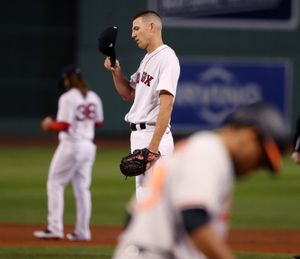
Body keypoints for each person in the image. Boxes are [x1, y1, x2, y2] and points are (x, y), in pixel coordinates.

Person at [112, 102, 291, 259]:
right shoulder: (208, 152)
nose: (257, 167)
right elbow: (193, 219)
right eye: (261, 159)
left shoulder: (202, 149)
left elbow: (132, 215)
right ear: (250, 135)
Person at [103, 10, 180, 202]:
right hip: (142, 137)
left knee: (153, 204)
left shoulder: (167, 58)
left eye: (136, 28)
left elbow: (167, 104)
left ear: (151, 27)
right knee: (146, 201)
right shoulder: (147, 58)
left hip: (154, 138)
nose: (133, 34)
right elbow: (128, 94)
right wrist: (116, 72)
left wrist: (152, 148)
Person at [33, 65, 104, 241]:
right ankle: (82, 231)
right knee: (82, 189)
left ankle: (55, 228)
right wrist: (83, 126)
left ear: (67, 80)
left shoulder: (67, 98)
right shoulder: (93, 96)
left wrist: (49, 125)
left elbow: (64, 125)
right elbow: (98, 123)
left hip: (72, 145)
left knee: (55, 183)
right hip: (88, 146)